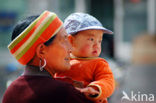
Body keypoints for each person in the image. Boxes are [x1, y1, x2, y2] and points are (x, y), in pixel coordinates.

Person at [2, 11, 93, 103]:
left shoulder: (11, 91)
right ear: (41, 50)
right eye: (64, 39)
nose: (70, 48)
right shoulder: (63, 92)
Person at [55, 13, 115, 103]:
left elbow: (108, 81)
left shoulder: (99, 63)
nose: (97, 45)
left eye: (100, 41)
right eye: (91, 39)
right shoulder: (62, 60)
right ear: (71, 41)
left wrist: (95, 88)